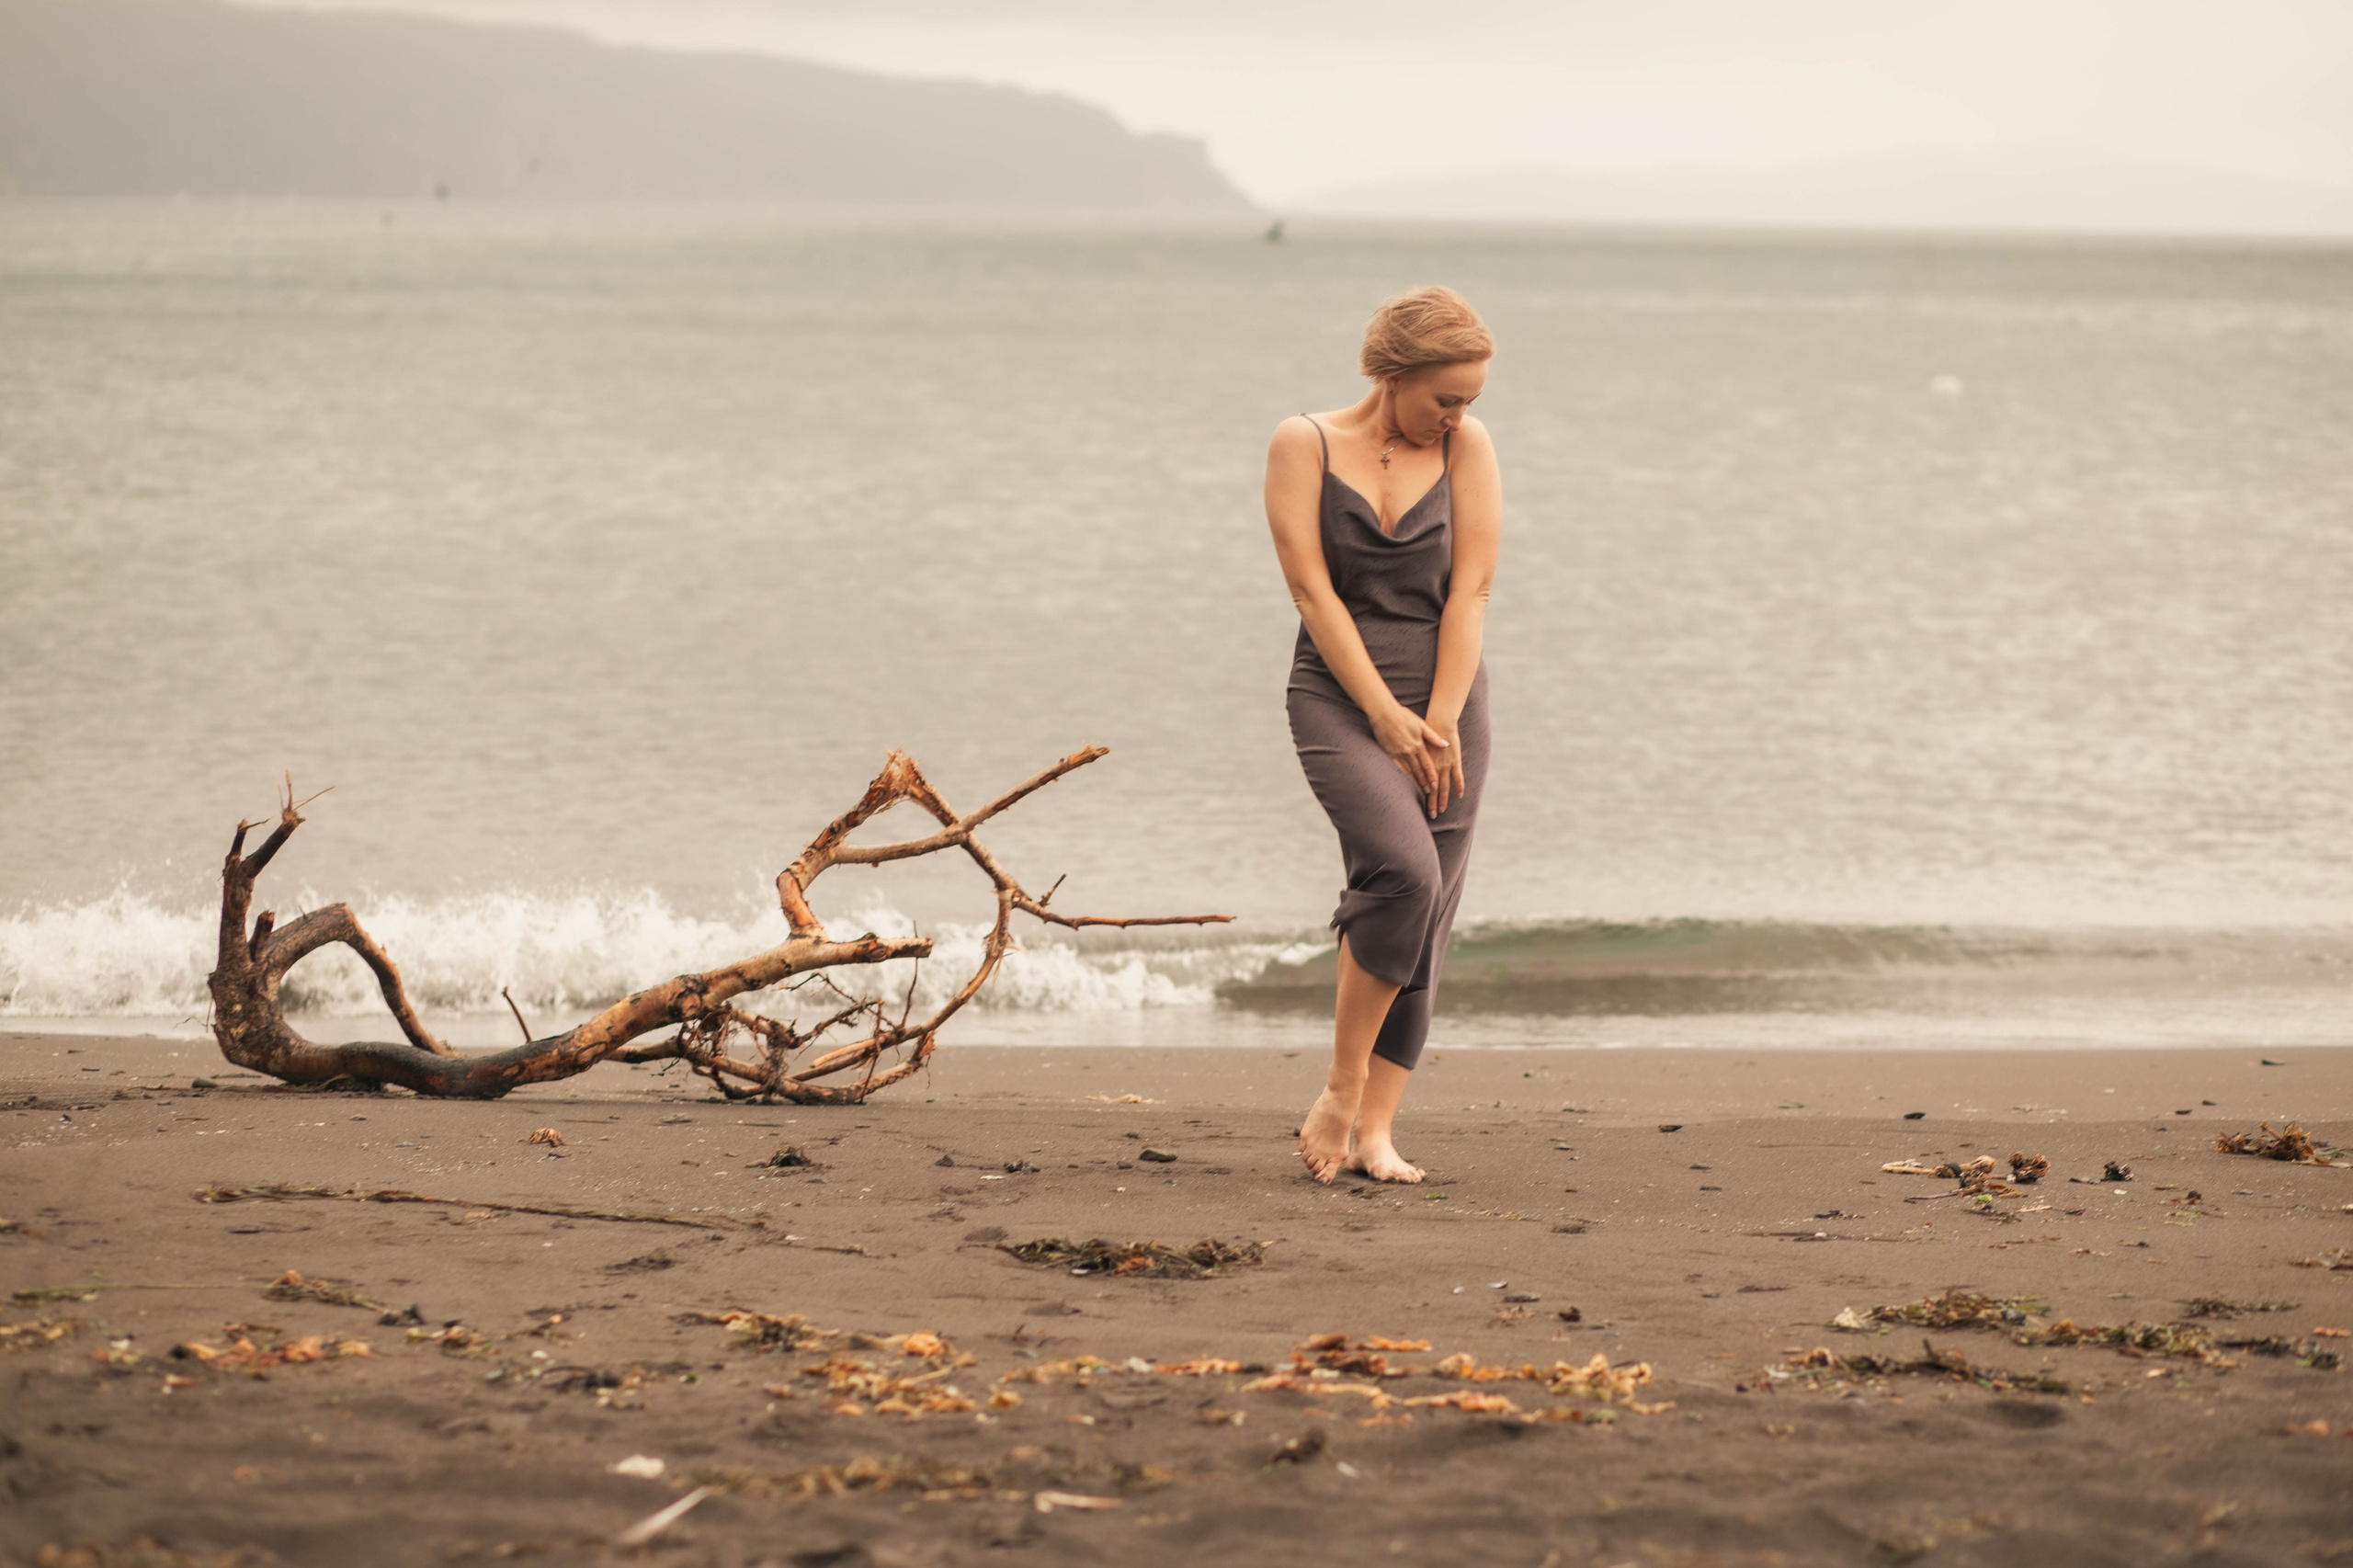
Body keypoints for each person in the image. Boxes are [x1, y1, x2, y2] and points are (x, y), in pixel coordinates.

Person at [1265, 285, 1500, 1185]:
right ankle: (1341, 1086)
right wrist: (1383, 716)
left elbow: (1471, 590)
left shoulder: (1468, 447)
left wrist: (1437, 719)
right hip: (1338, 697)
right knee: (1403, 874)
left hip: (1447, 706)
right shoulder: (1304, 443)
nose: (1457, 416)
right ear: (1393, 375)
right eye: (1445, 397)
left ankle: (1376, 1133)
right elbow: (1311, 592)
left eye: (1469, 400)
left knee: (1431, 907)